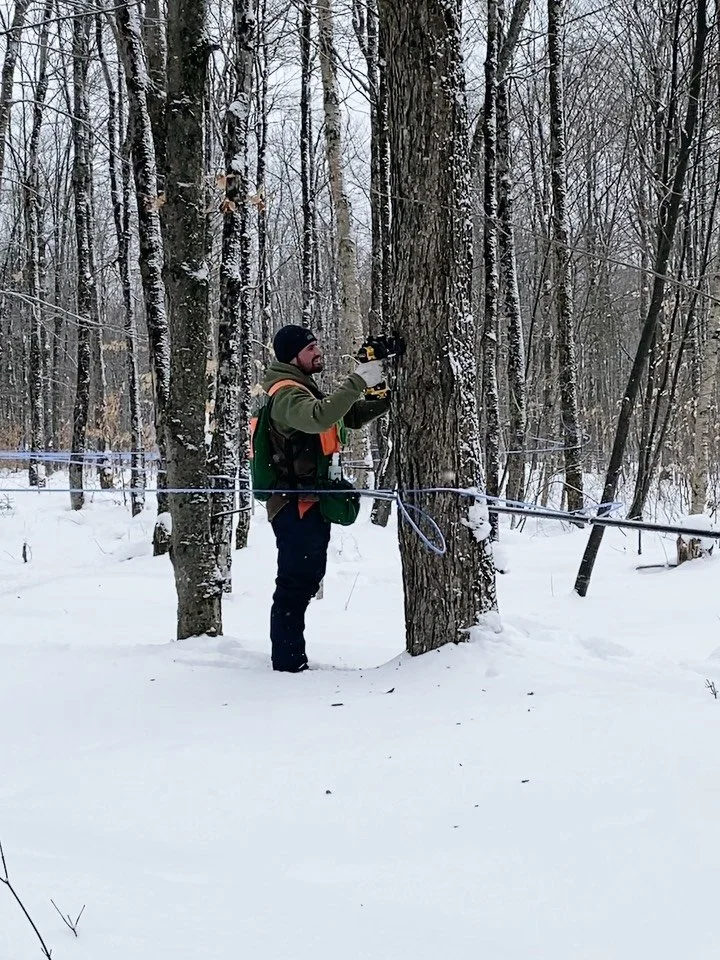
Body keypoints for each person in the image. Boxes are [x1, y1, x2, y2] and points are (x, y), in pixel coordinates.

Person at [261, 324, 390, 673]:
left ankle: (290, 658)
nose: (318, 352)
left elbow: (344, 416)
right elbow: (320, 419)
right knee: (294, 583)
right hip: (293, 505)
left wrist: (378, 394)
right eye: (311, 348)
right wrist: (357, 380)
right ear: (293, 356)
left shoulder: (304, 391)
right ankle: (288, 665)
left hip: (309, 503)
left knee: (304, 579)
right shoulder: (287, 396)